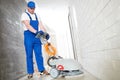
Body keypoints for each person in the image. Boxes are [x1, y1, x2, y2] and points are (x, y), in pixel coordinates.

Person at [21, 1, 50, 79]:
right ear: (27, 8)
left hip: (37, 37)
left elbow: (41, 25)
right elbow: (27, 25)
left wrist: (45, 33)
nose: (32, 10)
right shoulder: (24, 15)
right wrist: (36, 32)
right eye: (31, 9)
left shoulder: (37, 15)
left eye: (34, 8)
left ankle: (42, 70)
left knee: (39, 54)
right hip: (28, 37)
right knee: (29, 55)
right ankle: (30, 72)